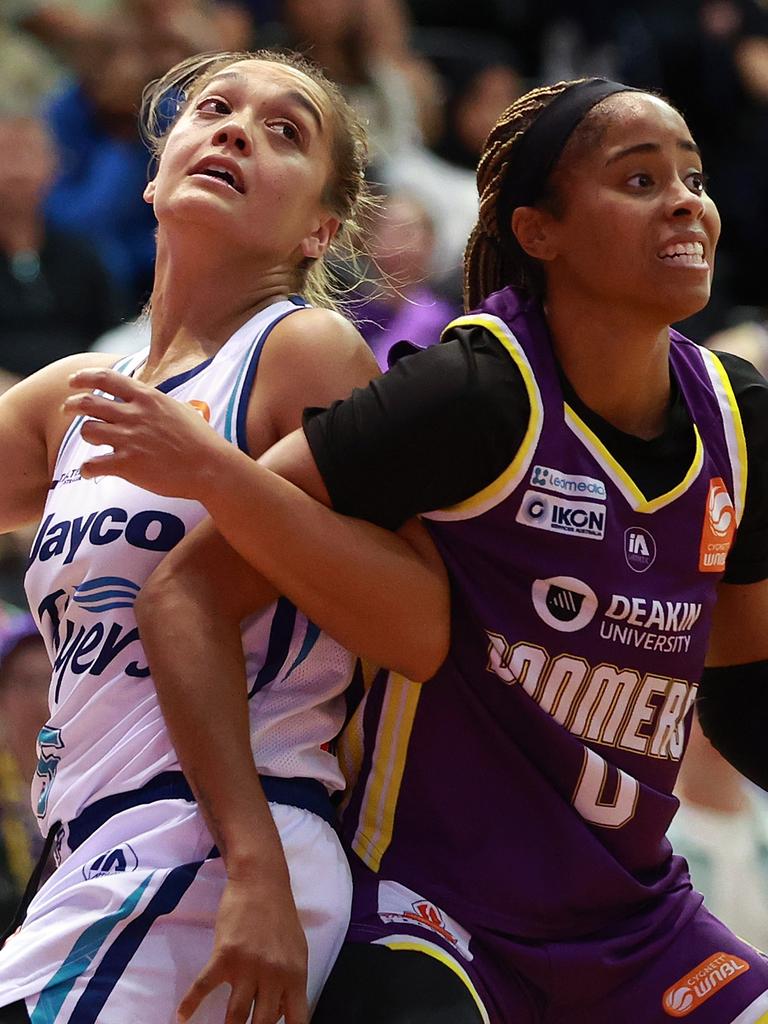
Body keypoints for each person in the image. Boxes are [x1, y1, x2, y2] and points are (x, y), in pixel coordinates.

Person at [61, 77, 768, 1023]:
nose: (685, 199)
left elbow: (741, 670)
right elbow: (186, 593)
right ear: (538, 230)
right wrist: (255, 865)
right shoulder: (470, 392)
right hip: (435, 913)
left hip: (639, 922)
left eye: (693, 176)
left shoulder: (736, 414)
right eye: (640, 181)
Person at [0, 46, 451, 1024]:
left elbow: (418, 619)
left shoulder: (303, 350)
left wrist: (214, 474)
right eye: (213, 109)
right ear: (159, 170)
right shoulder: (70, 399)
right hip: (94, 853)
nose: (239, 130)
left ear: (321, 227)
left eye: (286, 131)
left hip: (222, 851)